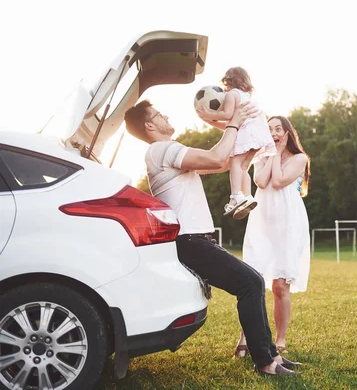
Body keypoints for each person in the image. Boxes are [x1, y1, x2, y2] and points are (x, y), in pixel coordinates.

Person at [124, 100, 300, 376]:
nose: (166, 115)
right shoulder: (162, 149)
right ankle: (265, 362)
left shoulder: (168, 152)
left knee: (252, 282)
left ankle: (272, 356)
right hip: (189, 241)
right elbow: (217, 158)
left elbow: (223, 163)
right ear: (149, 125)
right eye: (159, 114)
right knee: (251, 282)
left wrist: (248, 137)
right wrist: (234, 122)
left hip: (197, 240)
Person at [234, 116, 311, 357]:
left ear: (288, 133)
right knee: (252, 281)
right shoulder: (262, 157)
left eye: (278, 128)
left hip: (288, 225)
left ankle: (280, 340)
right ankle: (245, 336)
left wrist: (277, 154)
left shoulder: (300, 159)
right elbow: (260, 181)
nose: (274, 132)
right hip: (262, 223)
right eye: (269, 129)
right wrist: (270, 155)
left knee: (280, 286)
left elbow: (278, 182)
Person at [196, 67, 275, 219]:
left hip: (247, 135)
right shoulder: (249, 97)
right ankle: (247, 196)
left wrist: (209, 114)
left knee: (234, 163)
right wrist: (211, 121)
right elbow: (232, 124)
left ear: (229, 81)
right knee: (244, 167)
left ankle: (235, 197)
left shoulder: (233, 94)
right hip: (259, 135)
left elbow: (227, 115)